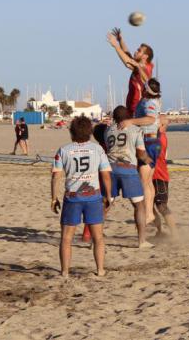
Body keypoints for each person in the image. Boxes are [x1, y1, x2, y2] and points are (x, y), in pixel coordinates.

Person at [51, 116, 113, 277]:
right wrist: (108, 196)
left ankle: (65, 271)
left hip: (72, 198)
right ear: (90, 132)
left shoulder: (64, 150)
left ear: (72, 132)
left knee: (66, 238)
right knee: (98, 237)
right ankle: (100, 270)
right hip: (93, 197)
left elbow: (56, 176)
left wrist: (53, 197)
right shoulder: (97, 149)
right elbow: (106, 175)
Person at [105, 106, 153, 248]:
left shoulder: (108, 131)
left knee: (106, 204)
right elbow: (141, 154)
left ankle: (96, 238)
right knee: (139, 205)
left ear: (114, 117)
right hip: (128, 169)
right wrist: (150, 161)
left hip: (110, 169)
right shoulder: (136, 130)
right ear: (128, 116)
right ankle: (142, 241)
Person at [120, 78, 162, 225]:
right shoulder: (153, 101)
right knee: (148, 181)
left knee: (143, 181)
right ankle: (150, 213)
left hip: (148, 143)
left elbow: (150, 119)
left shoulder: (148, 103)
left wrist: (130, 122)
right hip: (154, 143)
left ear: (146, 89)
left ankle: (149, 214)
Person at [106, 28, 154, 116]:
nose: (135, 52)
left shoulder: (144, 67)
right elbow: (128, 56)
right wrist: (120, 40)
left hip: (137, 109)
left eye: (139, 51)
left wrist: (116, 46)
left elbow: (127, 63)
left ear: (145, 56)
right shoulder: (139, 65)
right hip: (133, 108)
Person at [152, 117, 178, 239]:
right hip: (152, 175)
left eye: (156, 123)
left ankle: (175, 235)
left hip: (159, 176)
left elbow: (155, 154)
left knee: (161, 206)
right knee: (150, 206)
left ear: (161, 125)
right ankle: (159, 231)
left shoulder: (160, 138)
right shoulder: (156, 136)